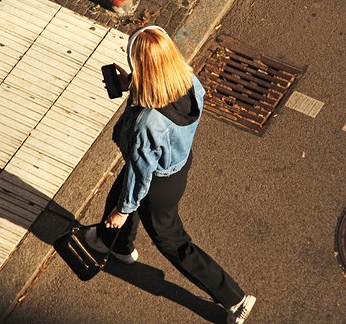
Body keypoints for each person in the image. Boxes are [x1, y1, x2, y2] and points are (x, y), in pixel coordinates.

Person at [85, 25, 256, 324]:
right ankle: (115, 244)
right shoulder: (188, 81)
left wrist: (123, 211)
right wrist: (131, 84)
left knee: (172, 240)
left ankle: (235, 298)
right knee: (121, 192)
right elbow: (158, 88)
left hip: (158, 183)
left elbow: (140, 175)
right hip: (178, 164)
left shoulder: (147, 124)